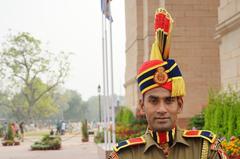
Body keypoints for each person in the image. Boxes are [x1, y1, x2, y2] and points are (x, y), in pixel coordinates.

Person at [108, 8, 228, 159]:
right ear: (142, 105)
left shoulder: (204, 148)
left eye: (169, 100)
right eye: (153, 101)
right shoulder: (125, 155)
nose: (161, 109)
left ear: (180, 104)